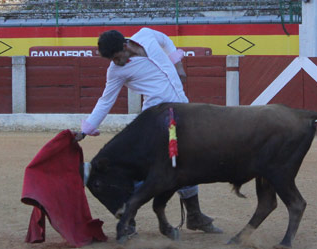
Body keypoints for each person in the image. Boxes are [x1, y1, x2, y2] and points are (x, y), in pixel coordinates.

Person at [75, 27, 222, 235]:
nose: (116, 63)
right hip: (157, 120)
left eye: (117, 58)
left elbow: (166, 39)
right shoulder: (115, 71)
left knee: (184, 162)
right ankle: (130, 212)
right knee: (164, 167)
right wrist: (86, 129)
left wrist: (177, 63)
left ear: (126, 46)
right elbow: (105, 101)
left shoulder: (146, 35)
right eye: (112, 60)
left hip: (183, 112)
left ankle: (193, 214)